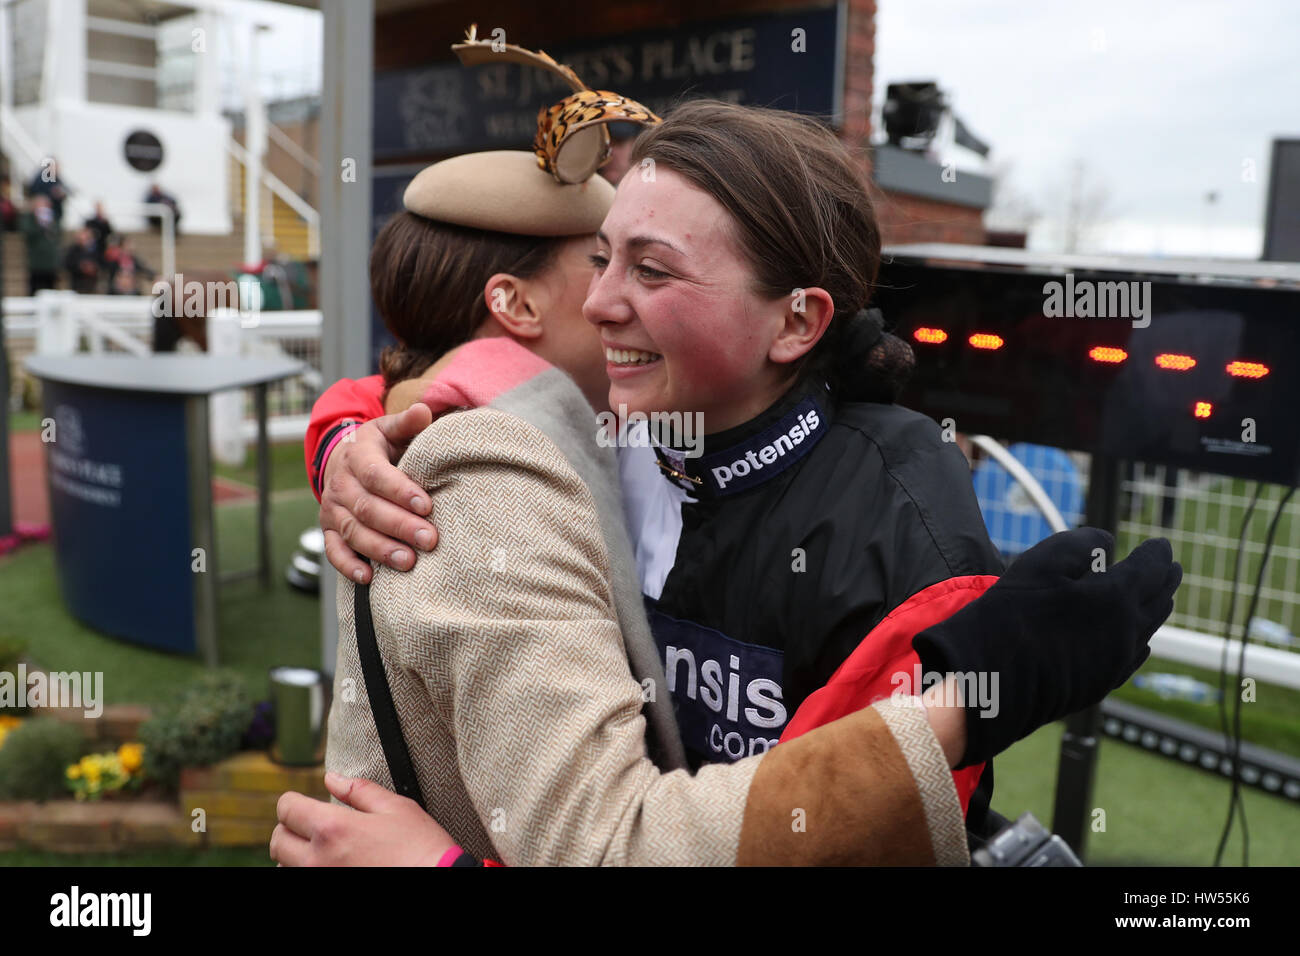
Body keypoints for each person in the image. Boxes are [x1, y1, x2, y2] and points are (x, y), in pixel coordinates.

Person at [277, 50, 1181, 866]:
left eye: (652, 270)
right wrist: (347, 440)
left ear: (797, 322)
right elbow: (441, 386)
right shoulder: (599, 423)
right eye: (600, 261)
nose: (598, 304)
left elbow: (818, 840)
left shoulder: (902, 531)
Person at [19, 195, 61, 294]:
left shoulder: (53, 218)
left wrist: (48, 225)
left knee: (51, 290)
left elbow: (56, 233)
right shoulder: (28, 218)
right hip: (36, 262)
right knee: (34, 289)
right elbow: (27, 232)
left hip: (50, 262)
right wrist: (39, 223)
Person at [64, 227, 100, 293]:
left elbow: (100, 262)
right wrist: (80, 266)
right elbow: (67, 263)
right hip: (76, 281)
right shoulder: (73, 250)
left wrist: (93, 267)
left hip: (92, 282)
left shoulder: (95, 250)